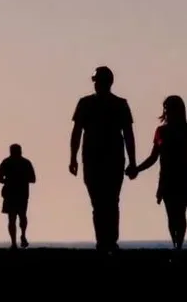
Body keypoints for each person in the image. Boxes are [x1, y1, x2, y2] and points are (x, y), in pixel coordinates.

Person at [69, 66, 136, 253]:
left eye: (98, 81)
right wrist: (73, 158)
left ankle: (107, 241)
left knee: (106, 202)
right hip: (97, 159)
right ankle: (106, 241)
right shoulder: (111, 104)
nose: (97, 84)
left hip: (105, 159)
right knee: (103, 202)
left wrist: (132, 161)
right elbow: (76, 133)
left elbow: (128, 134)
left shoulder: (114, 104)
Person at [127, 96, 187, 251]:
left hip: (183, 178)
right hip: (167, 179)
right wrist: (137, 169)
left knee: (180, 214)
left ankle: (178, 245)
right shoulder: (161, 131)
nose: (167, 111)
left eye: (170, 108)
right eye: (166, 108)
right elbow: (153, 157)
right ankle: (176, 244)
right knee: (172, 215)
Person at [0, 144, 36, 249]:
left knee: (12, 218)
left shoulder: (6, 162)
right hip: (21, 194)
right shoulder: (25, 163)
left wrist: (9, 181)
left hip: (11, 194)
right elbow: (33, 179)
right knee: (21, 216)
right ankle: (21, 236)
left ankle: (14, 242)